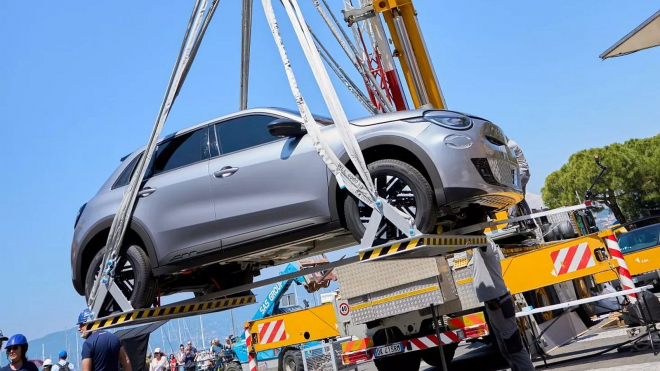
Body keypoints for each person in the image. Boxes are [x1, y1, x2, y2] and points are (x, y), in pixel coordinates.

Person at [473, 238, 535, 371]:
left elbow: (482, 241)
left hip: (498, 303)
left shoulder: (487, 245)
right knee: (506, 349)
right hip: (494, 304)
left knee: (514, 347)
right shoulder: (479, 249)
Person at [507, 138, 532, 216]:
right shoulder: (513, 143)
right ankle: (529, 221)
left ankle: (512, 218)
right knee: (521, 199)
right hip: (525, 173)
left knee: (512, 194)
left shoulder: (510, 145)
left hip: (521, 173)